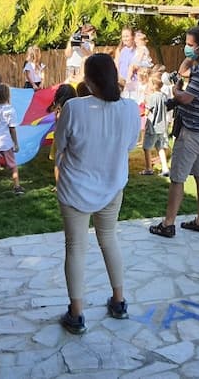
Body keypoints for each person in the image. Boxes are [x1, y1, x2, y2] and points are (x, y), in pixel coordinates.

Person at [54, 54, 139, 334]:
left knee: (75, 247)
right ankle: (119, 301)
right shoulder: (130, 109)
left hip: (75, 188)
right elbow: (130, 146)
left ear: (89, 81)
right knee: (109, 239)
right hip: (112, 185)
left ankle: (76, 314)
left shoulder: (73, 108)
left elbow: (60, 146)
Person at [148, 27, 199, 238]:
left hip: (191, 132)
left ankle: (168, 224)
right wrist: (190, 58)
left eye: (190, 45)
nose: (186, 48)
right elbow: (182, 72)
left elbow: (186, 98)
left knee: (177, 178)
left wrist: (176, 91)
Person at [141, 73, 170, 177]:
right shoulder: (164, 96)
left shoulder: (153, 97)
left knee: (146, 147)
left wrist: (142, 112)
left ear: (153, 85)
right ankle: (165, 168)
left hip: (152, 128)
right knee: (160, 148)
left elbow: (147, 111)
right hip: (162, 127)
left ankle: (149, 168)